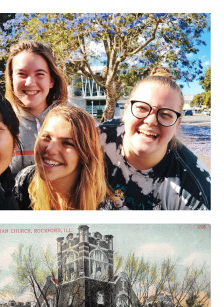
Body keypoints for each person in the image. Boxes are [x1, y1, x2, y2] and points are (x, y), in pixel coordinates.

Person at [99, 67, 211, 210]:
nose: (151, 121)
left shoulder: (194, 191)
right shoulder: (98, 139)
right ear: (126, 111)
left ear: (177, 125)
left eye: (165, 114)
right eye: (142, 108)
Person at [13, 105, 116, 210]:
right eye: (46, 137)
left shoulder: (102, 208)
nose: (50, 149)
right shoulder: (24, 181)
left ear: (85, 154)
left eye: (67, 143)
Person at [5, 40, 68, 175]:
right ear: (11, 79)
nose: (30, 82)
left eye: (40, 74)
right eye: (22, 74)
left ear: (51, 81)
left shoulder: (72, 122)